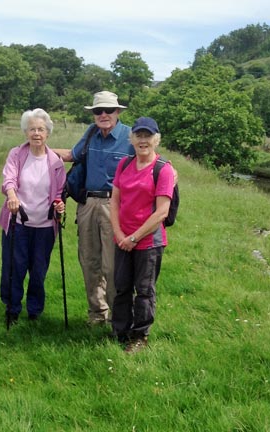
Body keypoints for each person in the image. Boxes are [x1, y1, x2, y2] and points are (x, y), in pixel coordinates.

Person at [55, 91, 134, 325]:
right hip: (87, 204)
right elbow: (71, 155)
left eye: (108, 110)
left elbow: (148, 159)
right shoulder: (91, 134)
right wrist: (36, 148)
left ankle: (117, 319)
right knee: (89, 261)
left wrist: (168, 170)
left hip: (115, 205)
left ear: (117, 112)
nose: (103, 115)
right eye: (98, 111)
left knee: (112, 266)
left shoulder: (130, 136)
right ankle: (97, 313)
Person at [110, 117, 175, 353]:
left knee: (144, 291)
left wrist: (134, 238)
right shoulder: (124, 165)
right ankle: (119, 332)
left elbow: (161, 213)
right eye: (139, 135)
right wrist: (118, 234)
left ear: (156, 139)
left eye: (148, 136)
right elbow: (115, 200)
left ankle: (139, 338)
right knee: (122, 287)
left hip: (148, 242)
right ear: (132, 139)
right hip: (122, 239)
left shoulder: (163, 170)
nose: (143, 140)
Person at [0, 108, 66, 323]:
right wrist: (11, 195)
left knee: (39, 270)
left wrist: (59, 204)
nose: (36, 133)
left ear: (47, 133)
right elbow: (9, 179)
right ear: (25, 132)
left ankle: (35, 310)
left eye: (41, 129)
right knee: (14, 268)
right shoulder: (16, 154)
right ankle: (12, 308)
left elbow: (59, 192)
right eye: (32, 129)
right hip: (18, 221)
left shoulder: (56, 161)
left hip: (45, 225)